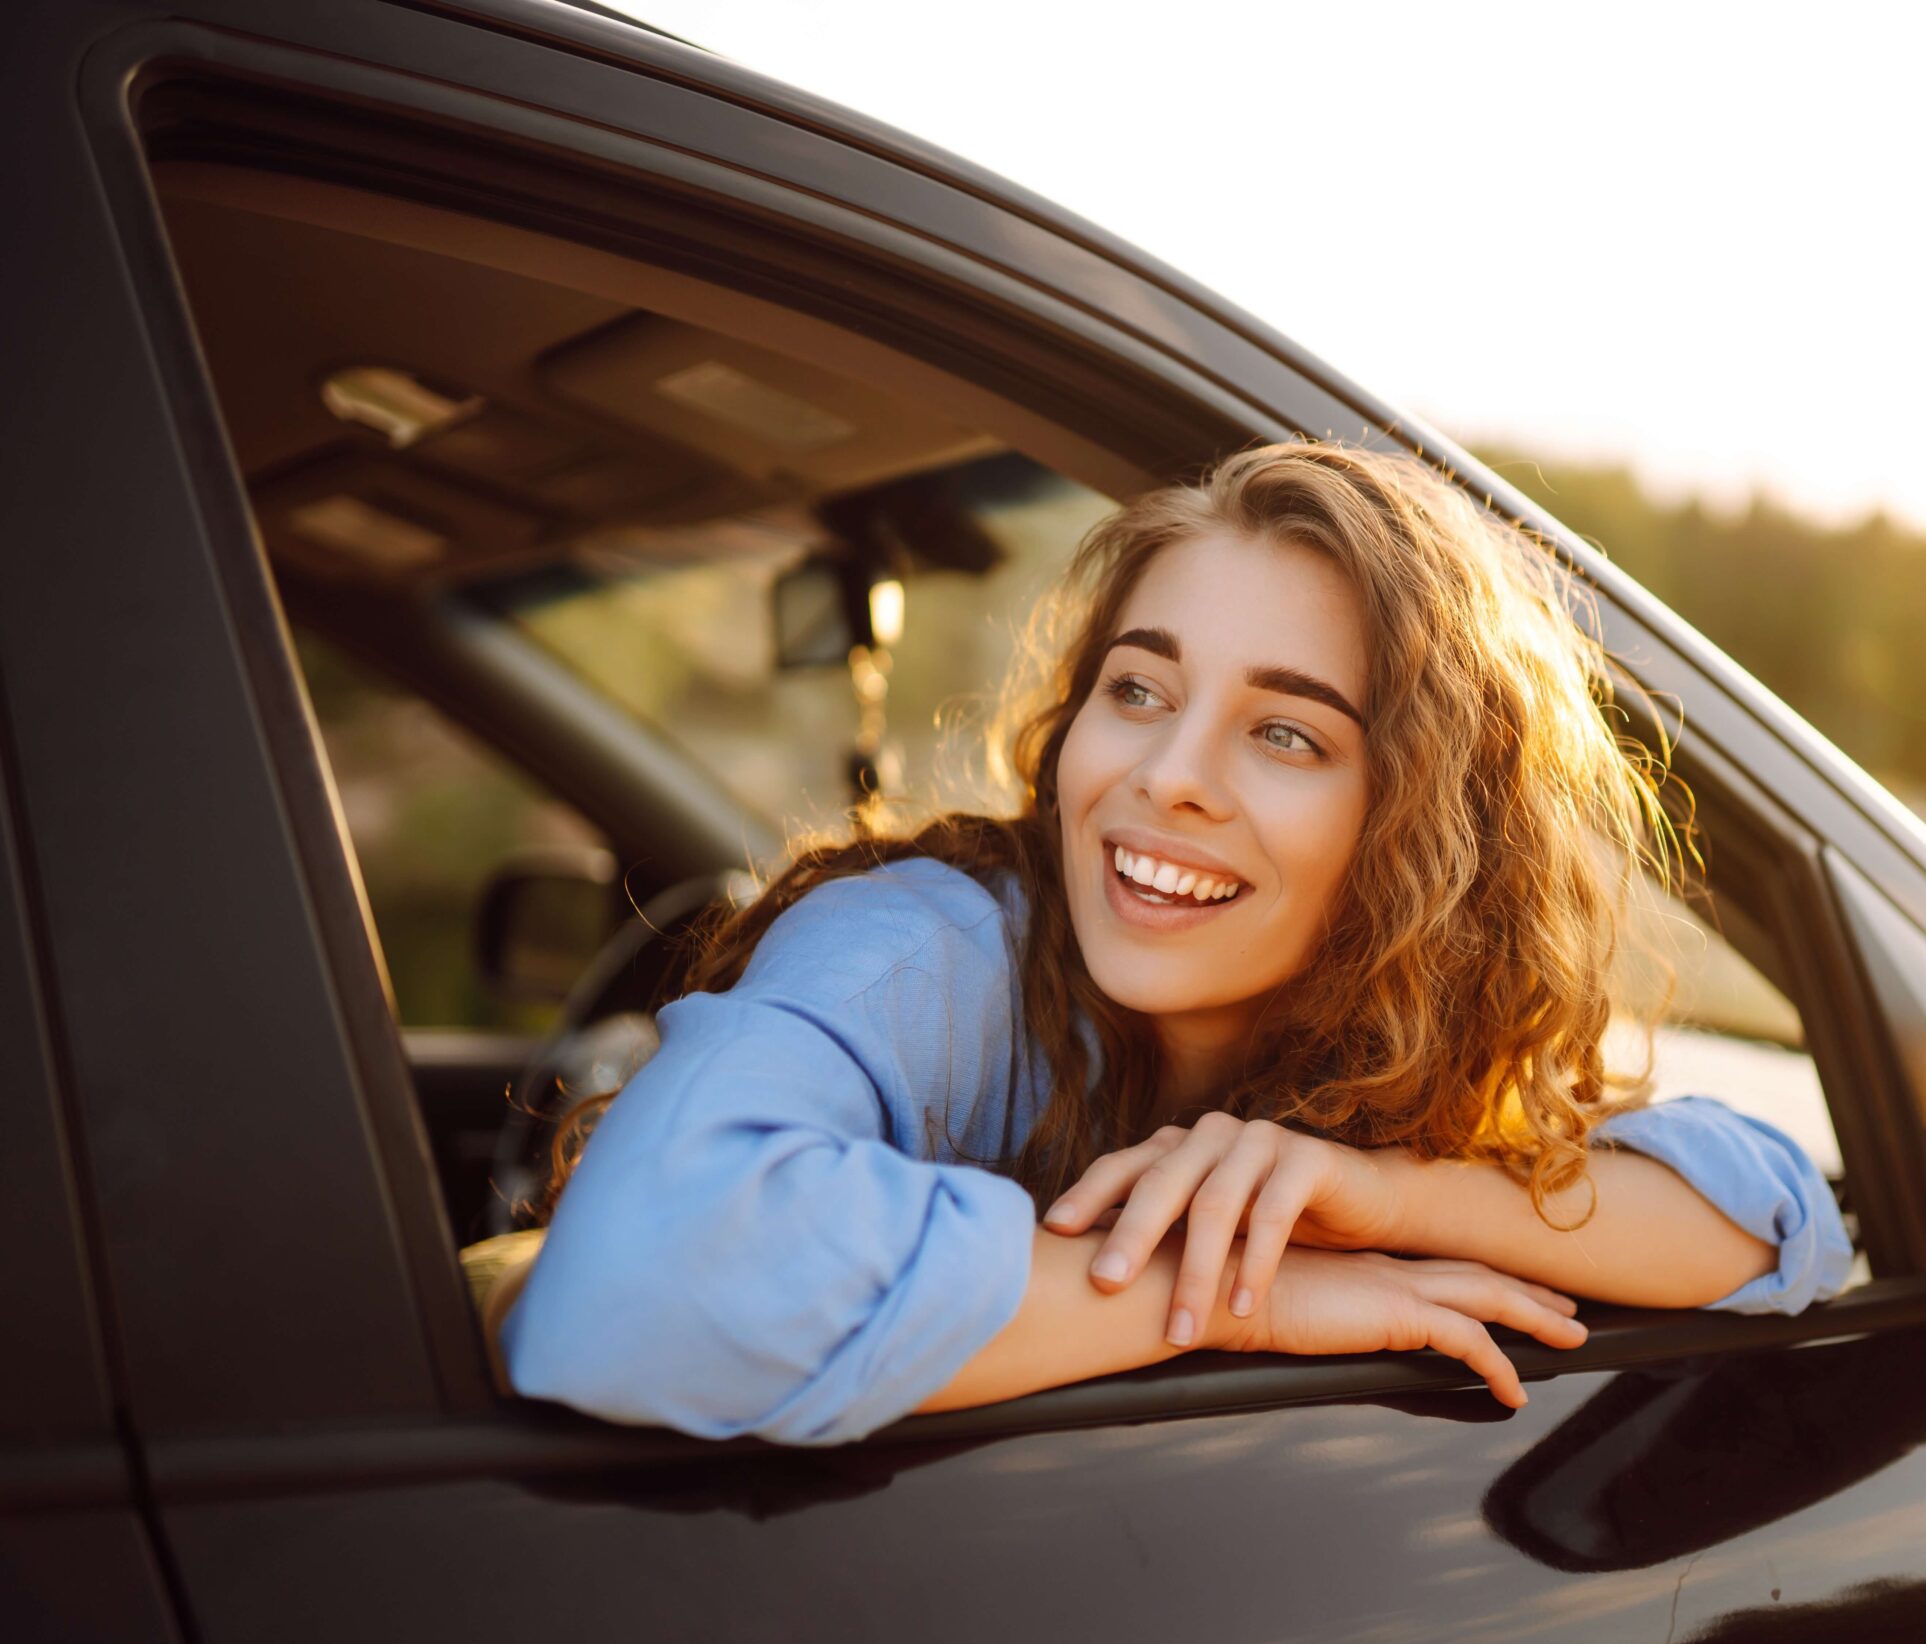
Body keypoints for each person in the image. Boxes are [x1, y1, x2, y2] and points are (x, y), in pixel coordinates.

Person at [489, 440, 1853, 1446]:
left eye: (1285, 732)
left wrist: (1381, 1199)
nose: (1169, 775)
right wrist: (1243, 1296)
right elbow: (635, 1283)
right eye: (1139, 691)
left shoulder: (1389, 1034)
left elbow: (1776, 1220)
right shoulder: (925, 950)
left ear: (1422, 834)